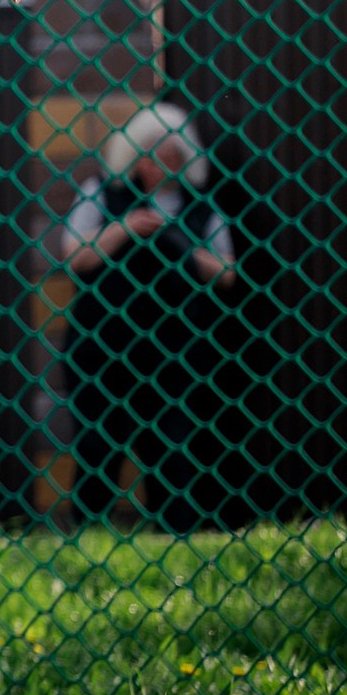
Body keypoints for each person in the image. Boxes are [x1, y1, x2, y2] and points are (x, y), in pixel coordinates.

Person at [55, 101, 241, 529]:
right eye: (151, 153)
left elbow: (227, 272)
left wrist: (177, 242)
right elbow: (73, 256)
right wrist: (125, 228)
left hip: (175, 352)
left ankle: (175, 537)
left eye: (171, 154)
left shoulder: (199, 206)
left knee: (172, 450)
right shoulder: (104, 193)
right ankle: (87, 534)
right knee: (100, 446)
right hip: (104, 349)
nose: (161, 163)